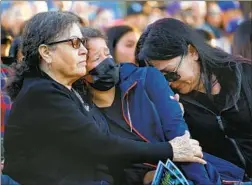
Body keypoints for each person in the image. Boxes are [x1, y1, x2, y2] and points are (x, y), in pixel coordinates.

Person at [3, 12, 204, 185]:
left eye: (82, 42)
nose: (83, 50)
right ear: (46, 53)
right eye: (74, 43)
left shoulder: (62, 90)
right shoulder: (42, 94)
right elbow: (102, 146)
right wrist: (170, 150)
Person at [77, 27, 247, 185]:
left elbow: (181, 141)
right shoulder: (80, 111)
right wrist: (145, 177)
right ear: (79, 67)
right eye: (96, 58)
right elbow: (108, 167)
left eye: (107, 54)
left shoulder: (146, 79)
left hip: (210, 176)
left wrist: (200, 181)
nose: (106, 62)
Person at [135, 18, 252, 179]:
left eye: (170, 72)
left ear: (192, 52)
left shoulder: (244, 74)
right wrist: (173, 121)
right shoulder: (172, 102)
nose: (169, 82)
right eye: (161, 79)